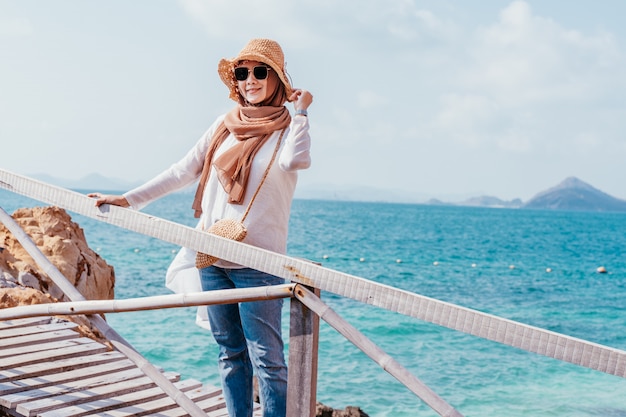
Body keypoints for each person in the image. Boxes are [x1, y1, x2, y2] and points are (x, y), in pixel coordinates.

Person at [89, 38, 313, 417]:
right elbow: (182, 171)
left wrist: (303, 111)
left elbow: (296, 161)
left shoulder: (288, 130)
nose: (250, 80)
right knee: (229, 353)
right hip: (211, 254)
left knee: (268, 361)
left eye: (260, 72)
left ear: (277, 78)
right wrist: (128, 199)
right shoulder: (223, 127)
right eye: (243, 74)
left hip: (257, 262)